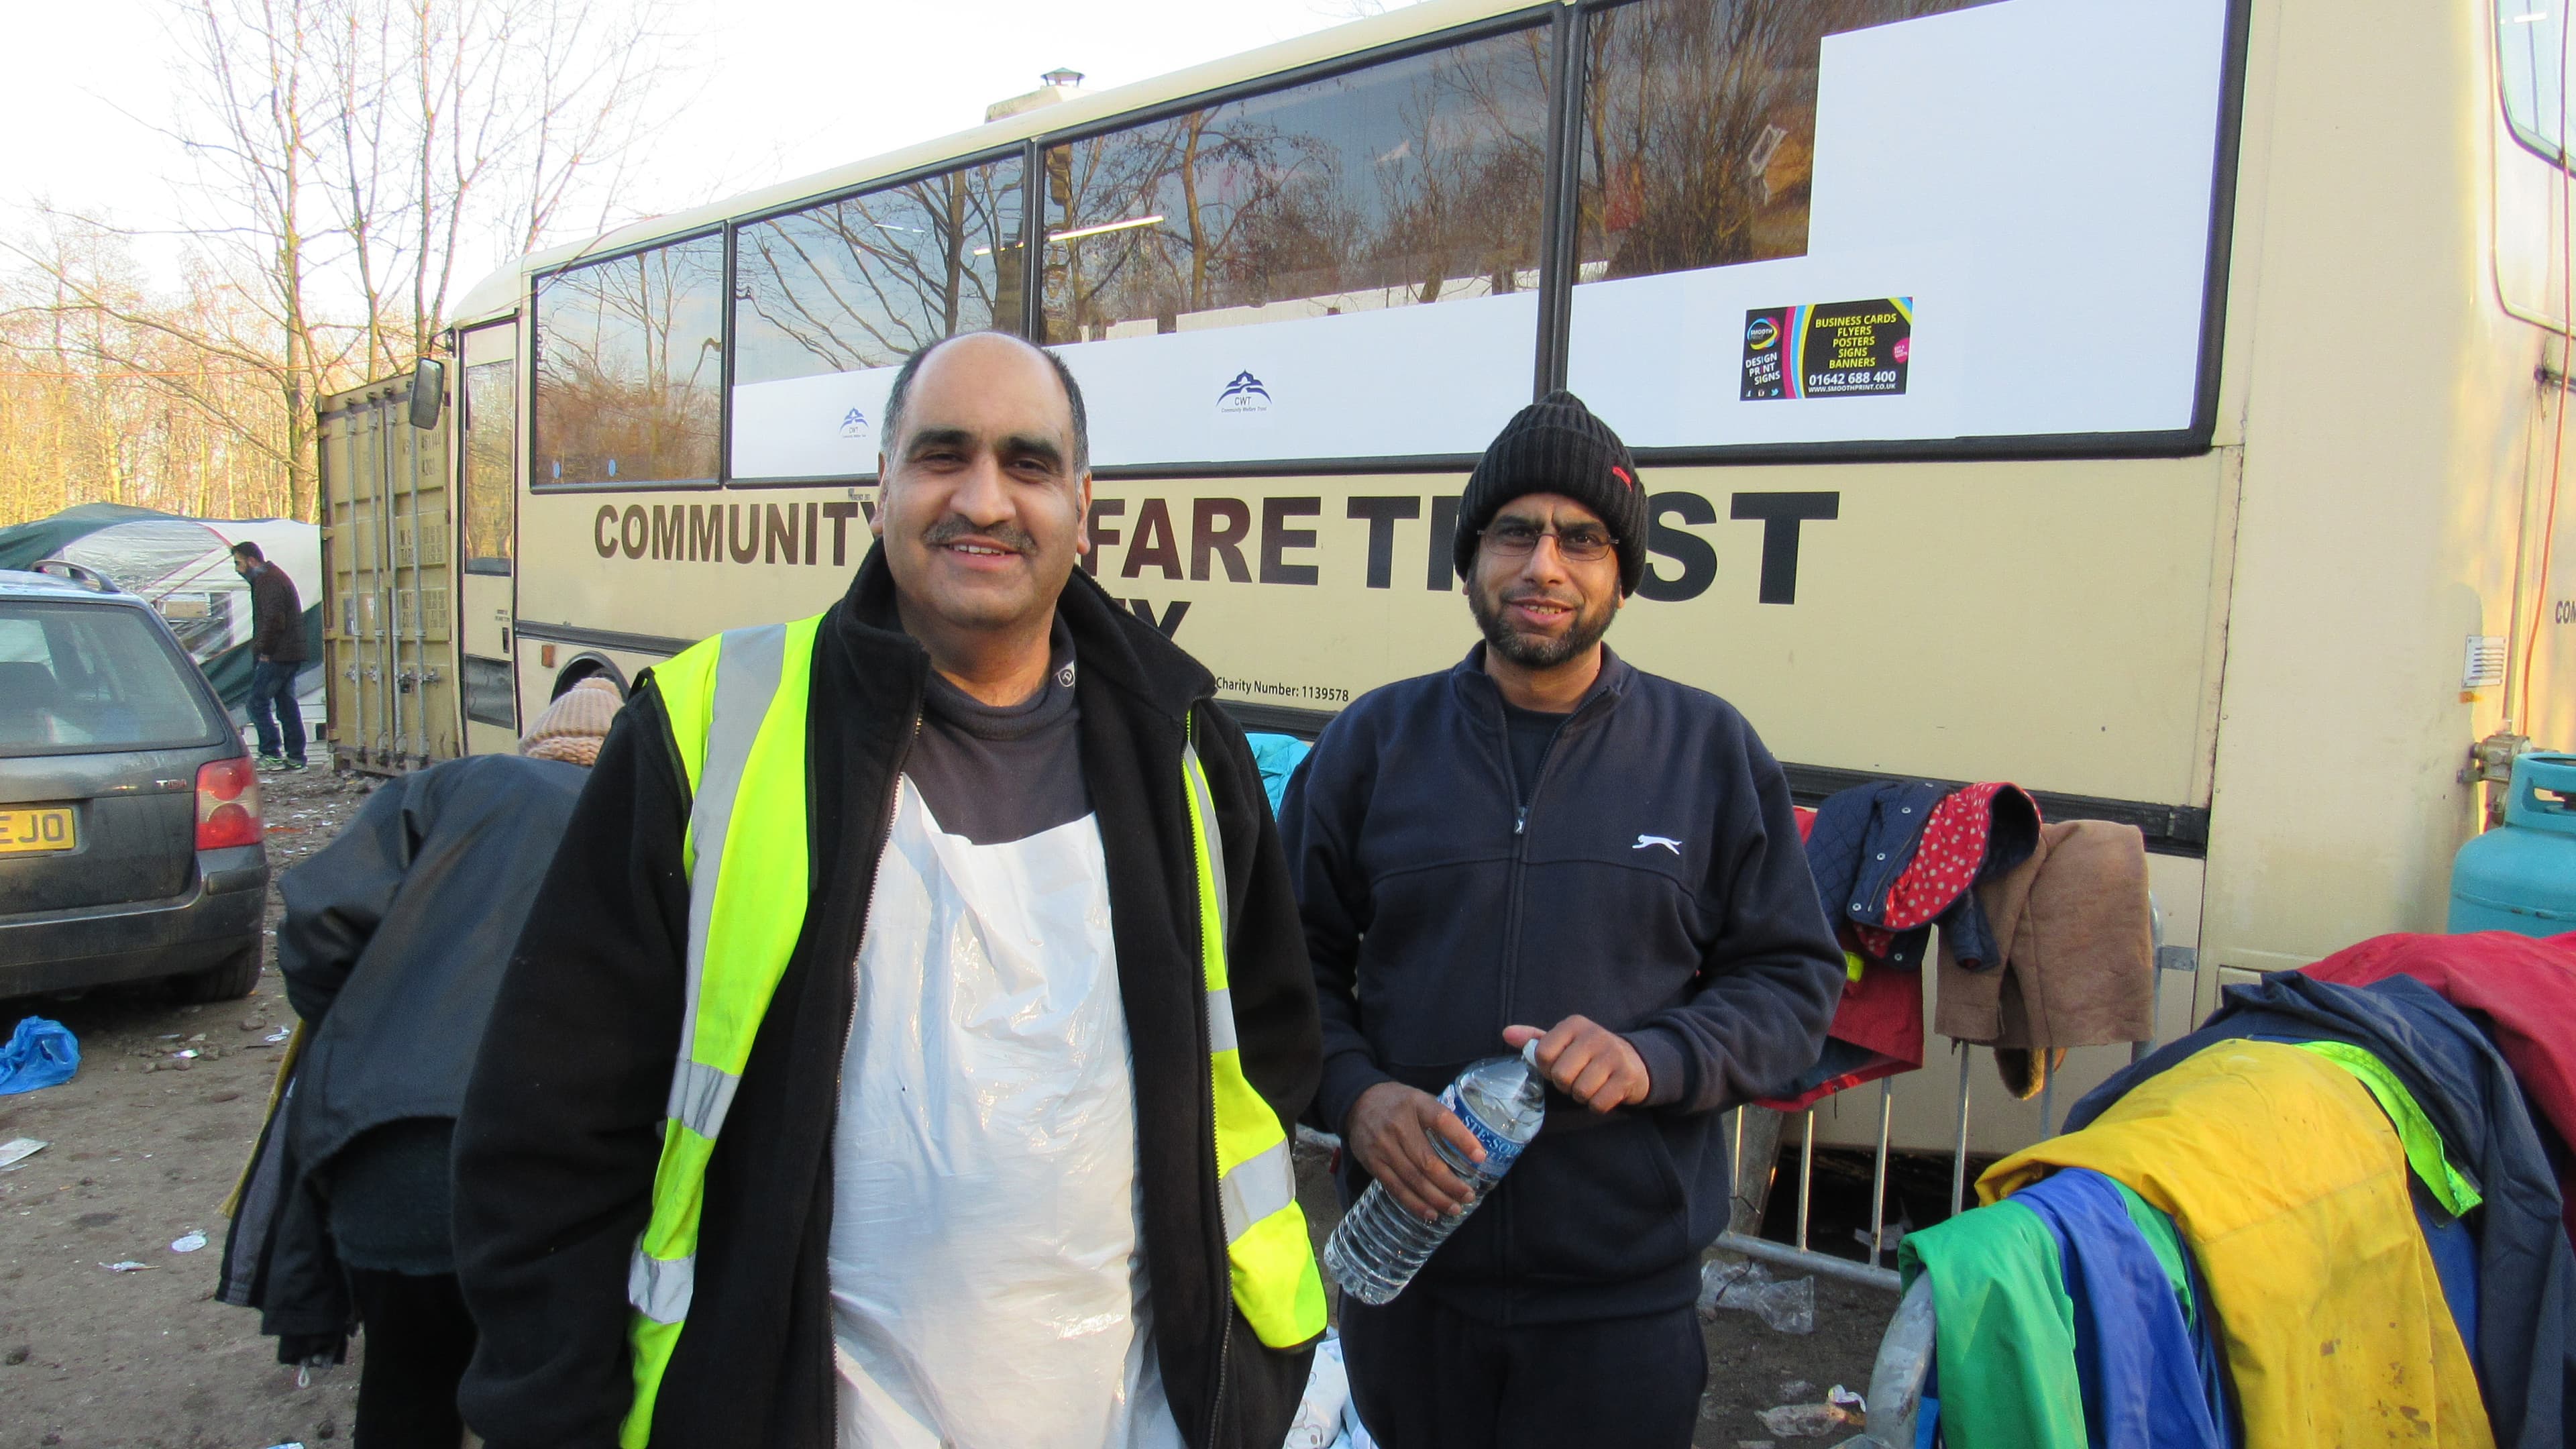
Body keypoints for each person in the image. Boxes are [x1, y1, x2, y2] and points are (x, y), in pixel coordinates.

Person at [451, 331, 1326, 1449]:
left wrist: (1255, 1376)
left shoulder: (1185, 747)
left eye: (1028, 463)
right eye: (941, 455)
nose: (984, 497)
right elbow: (547, 1131)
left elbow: (1259, 1074)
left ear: (1083, 505)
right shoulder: (709, 730)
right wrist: (556, 1416)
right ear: (880, 490)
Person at [1279, 390, 1845, 1448]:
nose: (1545, 566)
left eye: (1581, 540)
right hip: (1409, 1285)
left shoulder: (1710, 754)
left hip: (1620, 1312)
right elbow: (1283, 968)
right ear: (1471, 559)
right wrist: (1355, 1099)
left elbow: (1793, 984)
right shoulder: (1373, 743)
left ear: (1622, 576)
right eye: (1515, 533)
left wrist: (1656, 1057)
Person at [215, 678, 624, 1448]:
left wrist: (370, 1020)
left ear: (535, 741)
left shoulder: (450, 788)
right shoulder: (644, 823)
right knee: (544, 1401)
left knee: (407, 1384)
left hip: (389, 1163)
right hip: (548, 1183)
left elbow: (319, 928)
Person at [231, 539, 309, 771]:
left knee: (256, 702)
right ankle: (296, 756)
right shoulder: (273, 578)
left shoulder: (268, 581)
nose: (237, 569)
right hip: (288, 653)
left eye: (239, 563)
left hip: (277, 654)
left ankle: (270, 753)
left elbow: (274, 620)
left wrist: (264, 651)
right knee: (286, 704)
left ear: (252, 561)